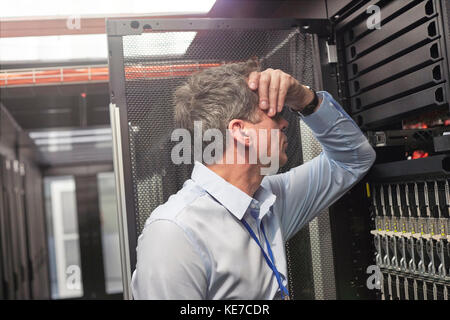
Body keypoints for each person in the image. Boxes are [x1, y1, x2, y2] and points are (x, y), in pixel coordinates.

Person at [131, 58, 376, 299]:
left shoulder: (268, 200)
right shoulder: (175, 233)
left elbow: (352, 159)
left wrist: (305, 99)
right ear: (241, 131)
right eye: (272, 113)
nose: (284, 123)